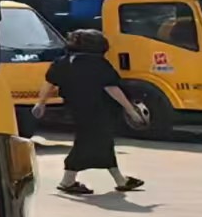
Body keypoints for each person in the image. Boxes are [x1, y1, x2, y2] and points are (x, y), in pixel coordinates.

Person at [33, 28, 146, 195]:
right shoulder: (98, 63)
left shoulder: (63, 62)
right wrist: (130, 110)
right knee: (89, 142)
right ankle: (67, 181)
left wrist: (40, 103)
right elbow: (111, 88)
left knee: (100, 141)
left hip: (75, 107)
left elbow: (49, 83)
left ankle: (120, 180)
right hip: (98, 108)